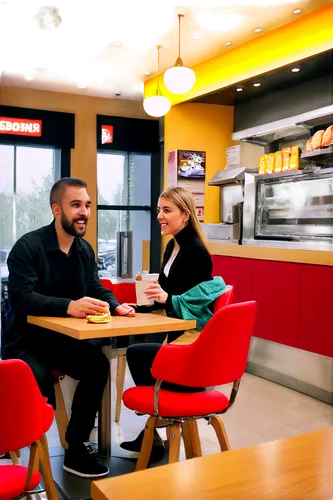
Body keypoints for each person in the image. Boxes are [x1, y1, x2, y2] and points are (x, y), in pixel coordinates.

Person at [2, 177, 135, 478]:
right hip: (26, 340)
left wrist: (115, 305)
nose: (84, 212)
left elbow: (95, 287)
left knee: (97, 366)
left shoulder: (84, 250)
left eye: (87, 205)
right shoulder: (27, 247)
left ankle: (75, 448)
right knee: (36, 383)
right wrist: (68, 306)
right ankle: (14, 443)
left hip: (63, 342)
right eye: (76, 205)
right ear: (57, 209)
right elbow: (22, 298)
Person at [120, 186, 220, 462]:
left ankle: (157, 423)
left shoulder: (197, 252)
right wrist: (137, 306)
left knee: (137, 353)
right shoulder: (172, 245)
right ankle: (155, 428)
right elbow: (164, 293)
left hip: (190, 348)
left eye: (166, 210)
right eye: (158, 210)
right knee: (141, 349)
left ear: (185, 215)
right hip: (175, 338)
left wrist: (166, 298)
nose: (159, 216)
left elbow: (195, 308)